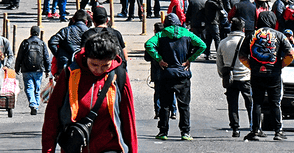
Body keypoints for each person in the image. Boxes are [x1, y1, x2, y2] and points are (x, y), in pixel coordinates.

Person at [42, 32, 137, 153]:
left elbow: (128, 117)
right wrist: (48, 149)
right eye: (94, 64)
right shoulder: (70, 73)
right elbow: (52, 113)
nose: (98, 70)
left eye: (105, 66)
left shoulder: (120, 75)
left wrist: (133, 150)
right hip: (75, 146)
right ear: (86, 57)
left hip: (110, 147)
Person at [145, 13, 206, 141]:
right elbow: (202, 45)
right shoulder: (187, 33)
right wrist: (190, 59)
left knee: (165, 105)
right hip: (183, 74)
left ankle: (163, 131)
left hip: (166, 73)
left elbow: (149, 45)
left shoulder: (161, 34)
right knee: (184, 105)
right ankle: (185, 132)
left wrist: (159, 59)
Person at [238, 14, 294, 141]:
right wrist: (281, 64)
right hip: (274, 74)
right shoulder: (279, 35)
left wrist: (252, 66)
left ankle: (255, 130)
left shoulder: (251, 35)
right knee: (275, 103)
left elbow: (241, 56)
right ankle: (278, 131)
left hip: (257, 74)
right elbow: (291, 53)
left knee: (257, 102)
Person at [217, 18, 252, 137]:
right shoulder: (247, 42)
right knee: (250, 103)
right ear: (243, 29)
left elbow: (219, 63)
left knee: (232, 104)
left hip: (230, 78)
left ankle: (235, 128)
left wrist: (223, 75)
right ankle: (253, 125)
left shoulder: (223, 42)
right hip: (246, 77)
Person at [15, 26, 50, 115]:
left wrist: (17, 68)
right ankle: (36, 105)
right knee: (37, 89)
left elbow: (19, 56)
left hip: (26, 70)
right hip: (38, 70)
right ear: (38, 33)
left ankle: (32, 104)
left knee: (29, 88)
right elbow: (46, 57)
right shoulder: (41, 43)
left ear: (30, 32)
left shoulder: (25, 43)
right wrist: (47, 70)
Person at [48, 10, 90, 75]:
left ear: (73, 20)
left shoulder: (65, 30)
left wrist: (59, 55)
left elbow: (52, 42)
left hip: (64, 63)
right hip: (83, 64)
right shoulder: (89, 32)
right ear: (86, 22)